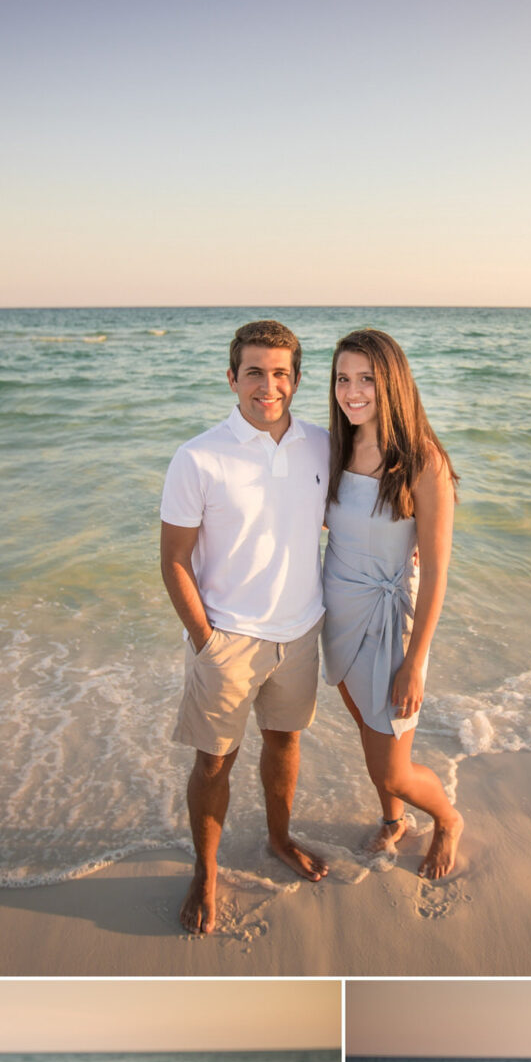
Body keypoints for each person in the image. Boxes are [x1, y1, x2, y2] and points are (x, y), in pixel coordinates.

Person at [160, 319, 332, 937]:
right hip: (229, 638)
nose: (268, 385)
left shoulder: (321, 445)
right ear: (232, 378)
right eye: (255, 372)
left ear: (297, 379)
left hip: (303, 630)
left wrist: (411, 542)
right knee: (215, 763)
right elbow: (173, 559)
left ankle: (279, 839)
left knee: (285, 744)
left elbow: (367, 504)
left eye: (281, 372)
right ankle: (204, 869)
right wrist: (206, 640)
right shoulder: (198, 457)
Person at [322, 330, 463, 879]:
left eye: (366, 380)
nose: (352, 392)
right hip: (339, 616)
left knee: (396, 766)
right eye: (342, 379)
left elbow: (436, 576)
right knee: (367, 732)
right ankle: (394, 818)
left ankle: (448, 819)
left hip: (389, 627)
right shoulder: (338, 448)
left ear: (393, 384)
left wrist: (415, 662)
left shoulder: (423, 461)